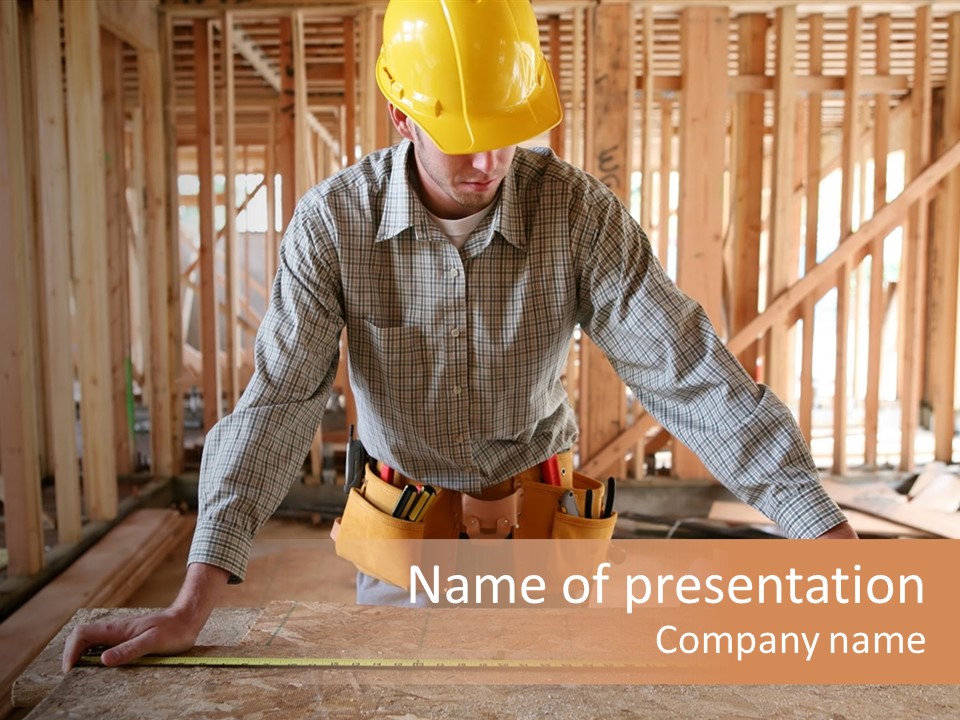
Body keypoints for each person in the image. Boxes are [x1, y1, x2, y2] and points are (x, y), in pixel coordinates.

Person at [62, 0, 855, 673]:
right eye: (462, 135)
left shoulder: (576, 213)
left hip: (543, 523)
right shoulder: (336, 223)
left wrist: (825, 537)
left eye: (506, 132)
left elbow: (686, 371)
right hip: (402, 529)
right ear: (402, 115)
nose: (486, 160)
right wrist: (193, 601)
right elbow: (279, 403)